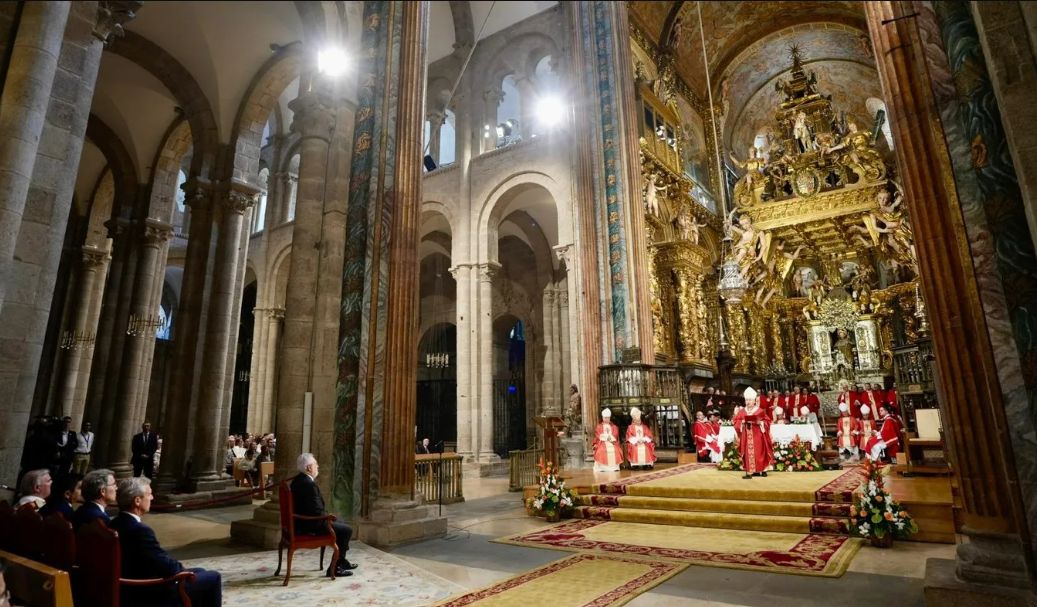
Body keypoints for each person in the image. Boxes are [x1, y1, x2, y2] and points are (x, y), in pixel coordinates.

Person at [110, 477, 222, 606]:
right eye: (149, 494)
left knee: (200, 571)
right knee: (213, 577)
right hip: (148, 592)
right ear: (137, 500)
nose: (152, 498)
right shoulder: (140, 531)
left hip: (127, 585)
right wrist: (180, 570)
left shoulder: (114, 523)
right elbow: (165, 565)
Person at [292, 453, 357, 578]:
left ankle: (342, 560)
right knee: (347, 530)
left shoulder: (298, 480)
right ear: (309, 468)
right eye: (316, 465)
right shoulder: (308, 484)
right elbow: (316, 511)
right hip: (310, 525)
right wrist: (327, 517)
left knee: (342, 524)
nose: (318, 467)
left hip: (302, 522)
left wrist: (327, 516)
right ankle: (335, 568)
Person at [733, 387, 773, 479]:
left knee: (760, 452)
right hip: (746, 436)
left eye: (750, 400)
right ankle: (750, 472)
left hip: (758, 435)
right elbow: (736, 422)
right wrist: (742, 422)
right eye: (747, 400)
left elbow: (767, 421)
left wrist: (761, 423)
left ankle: (763, 470)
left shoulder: (759, 411)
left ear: (754, 401)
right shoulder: (742, 411)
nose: (748, 402)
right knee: (748, 452)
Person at [592, 408, 623, 472]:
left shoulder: (614, 426)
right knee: (601, 450)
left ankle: (614, 467)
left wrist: (610, 438)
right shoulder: (599, 426)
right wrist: (605, 438)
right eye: (605, 418)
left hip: (612, 442)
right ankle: (602, 468)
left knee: (616, 449)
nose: (606, 419)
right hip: (602, 442)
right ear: (603, 418)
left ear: (610, 418)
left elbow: (615, 434)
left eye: (608, 418)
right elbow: (598, 435)